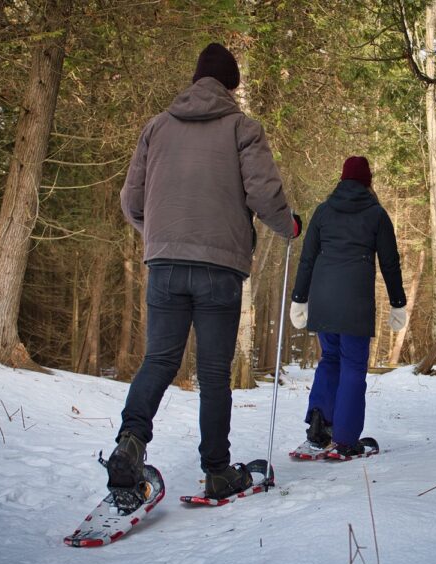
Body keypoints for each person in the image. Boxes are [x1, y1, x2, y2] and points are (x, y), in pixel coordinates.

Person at [109, 42, 301, 506]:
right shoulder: (242, 128)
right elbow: (263, 194)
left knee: (159, 361)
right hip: (220, 268)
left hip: (165, 265)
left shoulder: (155, 127)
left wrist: (160, 238)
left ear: (195, 80)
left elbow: (131, 203)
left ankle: (129, 444)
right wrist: (289, 226)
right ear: (231, 85)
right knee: (214, 374)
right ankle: (217, 473)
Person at [289, 156, 407, 458]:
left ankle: (318, 432)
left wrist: (299, 297)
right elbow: (390, 263)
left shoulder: (323, 211)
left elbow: (308, 258)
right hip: (355, 300)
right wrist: (398, 303)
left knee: (330, 359)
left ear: (341, 180)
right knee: (353, 366)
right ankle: (344, 440)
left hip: (324, 298)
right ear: (368, 182)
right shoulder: (376, 214)